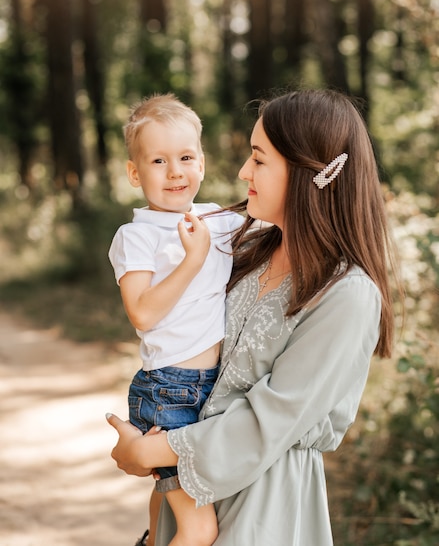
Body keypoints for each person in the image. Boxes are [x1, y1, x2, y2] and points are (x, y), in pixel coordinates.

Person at [106, 89, 400, 546]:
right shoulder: (246, 249)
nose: (243, 172)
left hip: (264, 504)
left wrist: (146, 450)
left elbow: (270, 419)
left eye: (259, 160)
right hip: (189, 483)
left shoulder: (348, 294)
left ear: (309, 174)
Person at [108, 93, 243, 546]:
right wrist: (192, 260)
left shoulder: (216, 218)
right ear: (134, 173)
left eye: (185, 157)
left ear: (202, 163)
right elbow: (142, 313)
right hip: (172, 391)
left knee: (166, 508)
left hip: (210, 387)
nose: (175, 172)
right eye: (159, 160)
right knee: (199, 528)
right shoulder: (137, 236)